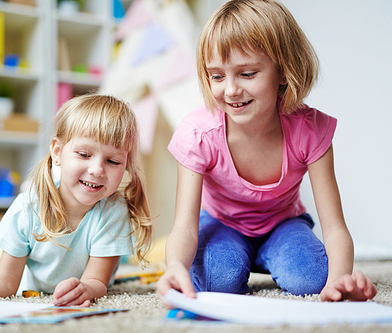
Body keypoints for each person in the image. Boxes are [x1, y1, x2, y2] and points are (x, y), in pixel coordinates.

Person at [156, 0, 376, 303]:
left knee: (311, 280)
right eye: (217, 76)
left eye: (247, 74)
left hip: (283, 225)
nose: (230, 90)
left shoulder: (310, 130)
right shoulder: (198, 134)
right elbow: (184, 225)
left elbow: (335, 227)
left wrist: (340, 282)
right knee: (216, 281)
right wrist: (175, 267)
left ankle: (272, 257)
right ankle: (234, 258)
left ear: (284, 71)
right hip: (221, 224)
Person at [0, 94, 152, 307]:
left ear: (125, 166)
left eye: (113, 161)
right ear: (57, 152)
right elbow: (5, 283)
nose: (97, 169)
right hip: (28, 286)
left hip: (77, 284)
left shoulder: (114, 211)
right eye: (84, 154)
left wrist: (86, 289)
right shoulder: (29, 205)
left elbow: (97, 281)